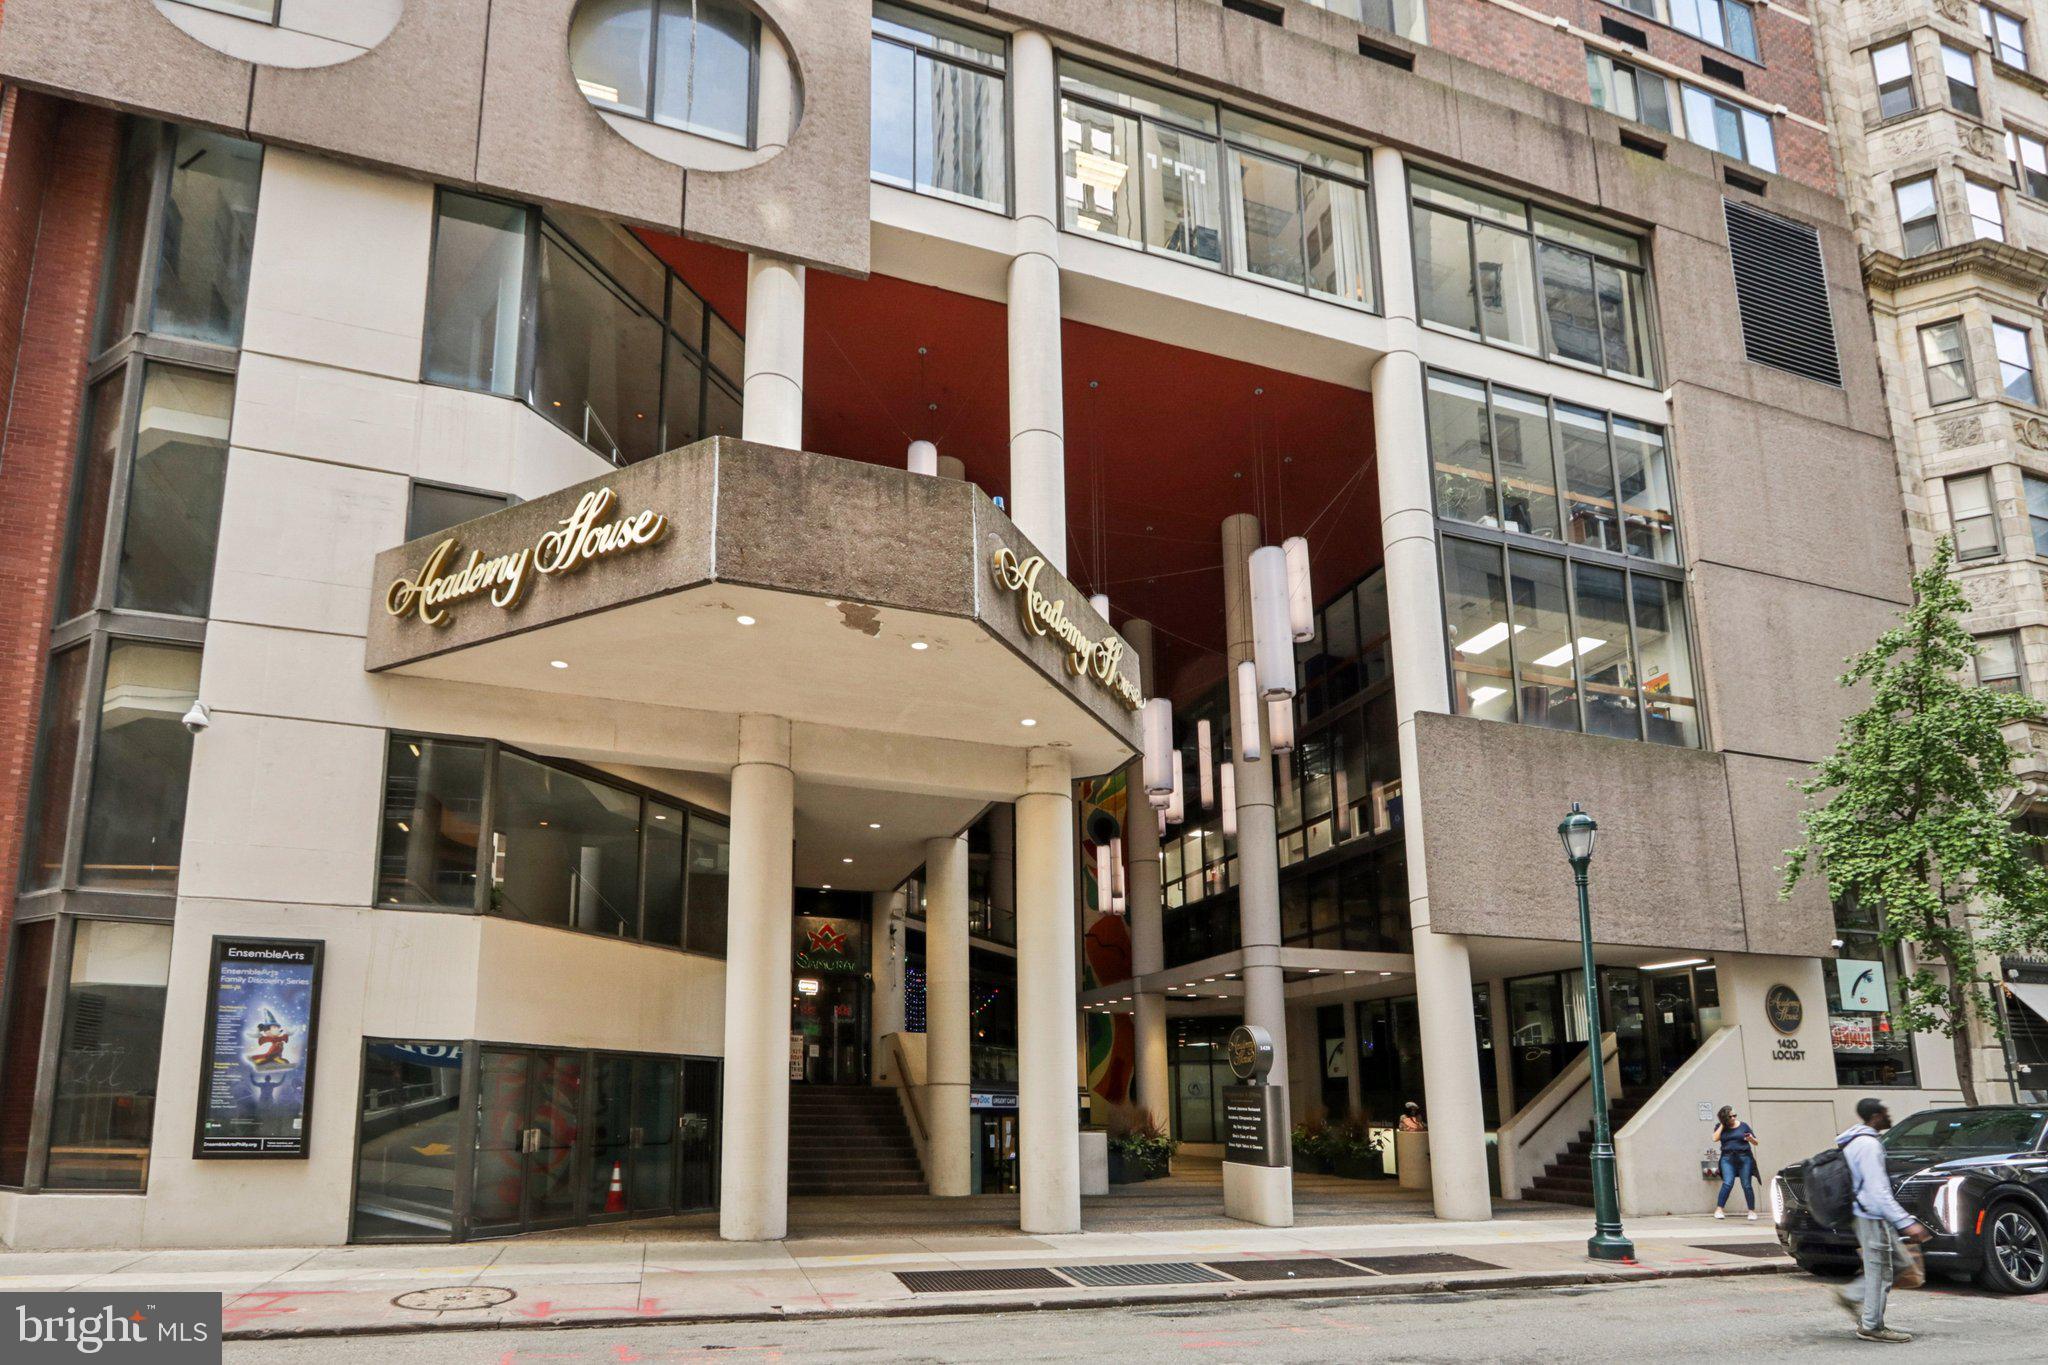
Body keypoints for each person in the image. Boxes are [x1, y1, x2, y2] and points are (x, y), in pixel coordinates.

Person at [1835, 1097, 1932, 1345]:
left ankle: (1852, 1295)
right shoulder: (1868, 1145)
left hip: (1870, 1214)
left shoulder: (1855, 1141)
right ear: (1876, 1116)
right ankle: (1871, 1326)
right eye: (1885, 1112)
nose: (1889, 1116)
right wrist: (1905, 1222)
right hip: (1870, 1214)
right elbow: (1878, 1191)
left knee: (1900, 1262)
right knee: (1879, 1271)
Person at [1711, 1104, 1760, 1220]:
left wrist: (1750, 1139)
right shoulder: (1720, 1126)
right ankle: (1719, 1210)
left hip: (1744, 1158)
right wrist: (1723, 1124)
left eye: (1734, 1115)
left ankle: (1751, 1211)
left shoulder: (1743, 1126)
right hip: (1727, 1159)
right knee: (1728, 1183)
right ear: (1724, 1118)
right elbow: (1714, 1138)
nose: (1733, 1118)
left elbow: (1756, 1142)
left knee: (1746, 1184)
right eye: (1730, 1116)